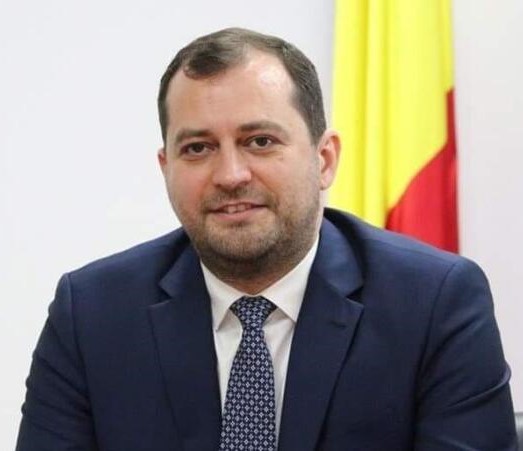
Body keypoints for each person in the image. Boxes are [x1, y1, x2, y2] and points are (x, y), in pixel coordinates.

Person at [16, 27, 517, 450]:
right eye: (198, 148)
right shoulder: (92, 314)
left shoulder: (433, 303)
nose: (230, 175)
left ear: (324, 159)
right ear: (166, 167)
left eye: (260, 141)